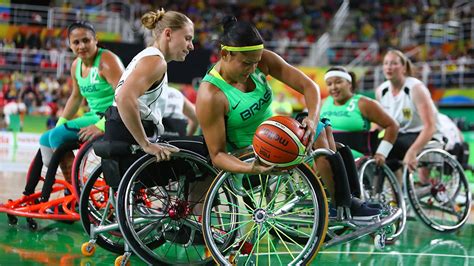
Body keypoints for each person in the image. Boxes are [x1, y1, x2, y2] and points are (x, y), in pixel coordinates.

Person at [196, 16, 380, 219]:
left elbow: (309, 87)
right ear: (225, 54)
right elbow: (218, 156)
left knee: (320, 128)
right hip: (253, 156)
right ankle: (340, 205)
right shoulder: (211, 94)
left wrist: (311, 117)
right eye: (247, 64)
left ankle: (344, 202)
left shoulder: (262, 61)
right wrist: (251, 167)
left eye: (256, 63)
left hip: (278, 137)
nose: (252, 69)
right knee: (320, 136)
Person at [22, 21, 124, 200]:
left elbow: (124, 96)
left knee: (56, 137)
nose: (81, 46)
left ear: (95, 40)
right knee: (46, 138)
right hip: (95, 115)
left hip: (114, 116)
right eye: (76, 42)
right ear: (69, 45)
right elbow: (76, 97)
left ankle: (77, 194)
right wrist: (61, 123)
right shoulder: (75, 65)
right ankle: (66, 187)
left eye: (86, 40)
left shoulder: (108, 60)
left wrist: (101, 125)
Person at [103, 8, 194, 189]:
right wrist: (145, 144)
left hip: (122, 142)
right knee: (203, 157)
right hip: (133, 153)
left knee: (193, 147)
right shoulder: (155, 61)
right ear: (168, 34)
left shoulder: (149, 57)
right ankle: (198, 214)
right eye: (188, 38)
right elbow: (123, 98)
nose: (191, 46)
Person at [375, 49, 443, 173]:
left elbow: (430, 126)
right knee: (376, 145)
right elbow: (380, 125)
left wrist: (413, 151)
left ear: (404, 67)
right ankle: (393, 189)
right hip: (399, 135)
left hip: (424, 134)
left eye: (394, 63)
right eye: (386, 63)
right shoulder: (381, 91)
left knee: (392, 146)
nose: (389, 67)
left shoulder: (416, 88)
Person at [321, 66, 399, 165]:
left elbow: (392, 126)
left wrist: (382, 153)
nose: (333, 87)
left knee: (331, 157)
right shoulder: (322, 104)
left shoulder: (364, 103)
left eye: (338, 82)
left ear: (349, 83)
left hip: (354, 157)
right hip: (328, 154)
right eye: (329, 84)